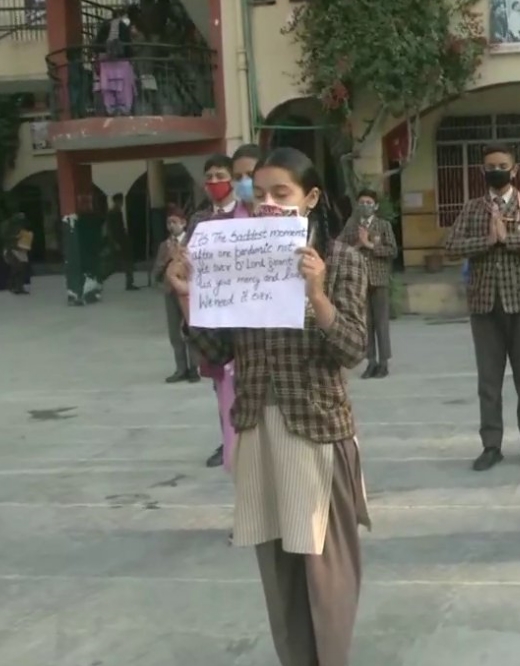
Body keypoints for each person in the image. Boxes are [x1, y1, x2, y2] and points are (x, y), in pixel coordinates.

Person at [167, 147, 370, 666]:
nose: (269, 205)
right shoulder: (238, 257)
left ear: (311, 198)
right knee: (278, 574)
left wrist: (317, 294)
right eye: (259, 196)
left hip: (317, 429)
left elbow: (350, 349)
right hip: (258, 425)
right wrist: (190, 299)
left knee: (326, 574)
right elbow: (216, 352)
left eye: (283, 194)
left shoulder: (341, 258)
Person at [444, 143, 520, 472]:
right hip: (484, 305)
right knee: (488, 381)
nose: (496, 170)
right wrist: (486, 241)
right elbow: (450, 246)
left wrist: (509, 240)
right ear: (482, 171)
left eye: (503, 164)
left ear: (515, 170)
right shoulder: (473, 209)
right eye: (490, 166)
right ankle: (491, 445)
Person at [185, 153, 252, 468]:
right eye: (208, 176)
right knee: (220, 383)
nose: (214, 182)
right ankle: (226, 437)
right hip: (213, 314)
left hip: (246, 309)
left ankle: (245, 438)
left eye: (220, 175)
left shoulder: (247, 217)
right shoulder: (199, 220)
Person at [340, 188, 399, 379]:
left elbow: (392, 251)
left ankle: (384, 363)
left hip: (379, 280)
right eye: (362, 202)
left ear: (376, 206)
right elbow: (339, 248)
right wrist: (359, 244)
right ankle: (370, 362)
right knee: (366, 324)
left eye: (369, 203)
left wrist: (371, 245)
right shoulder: (351, 226)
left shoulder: (383, 226)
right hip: (359, 281)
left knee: (381, 323)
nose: (365, 206)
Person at [154, 205, 198, 383]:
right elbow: (156, 271)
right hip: (171, 291)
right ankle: (181, 369)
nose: (171, 226)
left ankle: (194, 368)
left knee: (192, 329)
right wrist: (167, 259)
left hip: (189, 291)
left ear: (183, 223)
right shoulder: (164, 246)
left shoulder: (193, 242)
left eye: (174, 222)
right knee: (175, 332)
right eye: (168, 222)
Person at [105, 193, 138, 291]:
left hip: (122, 240)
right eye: (121, 201)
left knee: (127, 262)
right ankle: (99, 279)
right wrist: (115, 242)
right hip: (118, 240)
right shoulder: (113, 213)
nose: (122, 203)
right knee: (114, 264)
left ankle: (129, 282)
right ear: (117, 201)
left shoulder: (116, 211)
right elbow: (111, 229)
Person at [232, 143, 262, 211]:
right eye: (238, 177)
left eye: (250, 175)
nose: (244, 181)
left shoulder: (281, 216)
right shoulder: (229, 219)